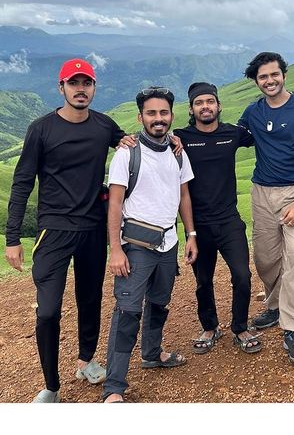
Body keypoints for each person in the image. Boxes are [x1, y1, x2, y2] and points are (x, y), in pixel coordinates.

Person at [4, 58, 135, 403]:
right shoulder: (42, 128)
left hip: (93, 229)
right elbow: (21, 182)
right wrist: (13, 238)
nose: (81, 89)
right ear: (61, 88)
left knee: (89, 299)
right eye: (73, 83)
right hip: (54, 230)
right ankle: (51, 386)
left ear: (94, 88)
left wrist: (173, 142)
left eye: (86, 83)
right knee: (48, 311)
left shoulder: (104, 126)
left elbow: (133, 145)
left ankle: (85, 360)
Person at [102, 86, 198, 404]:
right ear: (140, 116)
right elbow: (115, 204)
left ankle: (152, 354)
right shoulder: (126, 153)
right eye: (152, 113)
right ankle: (114, 387)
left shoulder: (176, 150)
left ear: (172, 115)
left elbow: (183, 195)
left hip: (168, 241)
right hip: (136, 245)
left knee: (159, 303)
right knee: (127, 312)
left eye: (164, 113)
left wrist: (191, 234)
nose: (159, 119)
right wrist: (115, 249)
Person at [238, 52, 294, 365]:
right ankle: (275, 306)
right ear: (256, 81)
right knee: (265, 258)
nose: (270, 81)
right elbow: (231, 137)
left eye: (274, 74)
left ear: (284, 75)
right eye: (263, 77)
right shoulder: (253, 112)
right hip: (262, 193)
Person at [174, 82, 262, 355]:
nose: (205, 107)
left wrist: (293, 106)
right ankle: (210, 327)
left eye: (210, 102)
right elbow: (152, 139)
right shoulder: (180, 137)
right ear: (191, 109)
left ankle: (240, 327)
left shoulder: (233, 134)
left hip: (228, 220)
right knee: (203, 280)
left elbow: (267, 132)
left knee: (243, 275)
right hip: (197, 224)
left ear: (218, 106)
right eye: (199, 103)